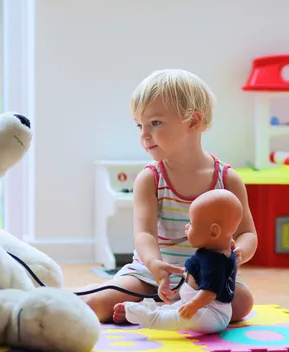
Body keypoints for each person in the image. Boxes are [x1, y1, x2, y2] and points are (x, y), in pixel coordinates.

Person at [82, 69, 257, 324]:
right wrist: (154, 264)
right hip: (150, 276)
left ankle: (154, 311)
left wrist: (239, 252)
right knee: (94, 304)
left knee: (243, 303)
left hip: (207, 277)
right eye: (139, 125)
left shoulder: (227, 179)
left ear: (193, 121)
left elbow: (247, 233)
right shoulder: (151, 178)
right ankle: (163, 308)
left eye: (155, 123)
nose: (144, 134)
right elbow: (145, 234)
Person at [121, 189, 242, 333]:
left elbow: (210, 293)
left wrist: (193, 305)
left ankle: (151, 319)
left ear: (214, 232)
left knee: (180, 317)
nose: (186, 226)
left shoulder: (214, 262)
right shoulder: (221, 250)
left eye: (191, 223)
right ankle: (153, 309)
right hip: (198, 305)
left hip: (211, 314)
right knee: (175, 308)